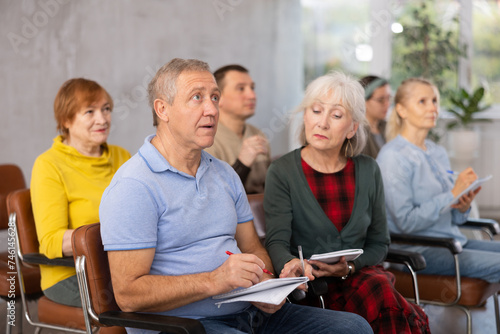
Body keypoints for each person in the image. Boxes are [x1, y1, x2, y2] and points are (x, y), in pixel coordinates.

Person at [99, 58, 373, 334]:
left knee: (354, 328)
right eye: (197, 98)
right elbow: (128, 295)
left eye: (215, 97)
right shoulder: (134, 185)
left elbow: (254, 249)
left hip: (252, 312)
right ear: (163, 109)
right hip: (185, 325)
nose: (211, 109)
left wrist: (267, 284)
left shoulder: (223, 174)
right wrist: (215, 280)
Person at [264, 71, 430, 333]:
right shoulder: (282, 171)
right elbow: (276, 242)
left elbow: (379, 244)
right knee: (383, 294)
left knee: (377, 286)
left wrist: (349, 267)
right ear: (305, 116)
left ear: (353, 127)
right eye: (316, 111)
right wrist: (292, 264)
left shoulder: (368, 170)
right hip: (314, 290)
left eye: (336, 115)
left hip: (361, 279)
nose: (322, 123)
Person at [376, 77, 500, 283]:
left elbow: (453, 219)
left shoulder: (437, 152)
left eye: (434, 100)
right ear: (401, 110)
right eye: (422, 101)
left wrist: (462, 206)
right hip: (419, 251)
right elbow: (406, 223)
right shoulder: (392, 157)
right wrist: (451, 194)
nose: (433, 107)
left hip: (451, 241)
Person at [31, 78, 131, 307]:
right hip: (71, 274)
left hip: (123, 266)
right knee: (145, 298)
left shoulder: (121, 156)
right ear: (66, 120)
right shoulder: (49, 164)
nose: (102, 119)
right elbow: (50, 241)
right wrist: (112, 234)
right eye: (89, 111)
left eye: (106, 109)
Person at [205, 64, 270, 194]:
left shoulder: (258, 134)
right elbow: (212, 196)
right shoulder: (206, 139)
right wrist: (242, 165)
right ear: (217, 98)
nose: (252, 95)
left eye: (252, 88)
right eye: (241, 88)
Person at [359, 75, 391, 158]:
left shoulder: (389, 127)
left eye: (388, 98)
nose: (387, 104)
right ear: (363, 101)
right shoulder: (357, 135)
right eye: (381, 100)